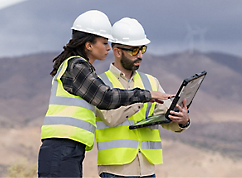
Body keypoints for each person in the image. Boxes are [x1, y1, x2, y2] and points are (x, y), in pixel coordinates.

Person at [37, 10, 173, 178]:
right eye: (104, 42)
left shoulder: (78, 68)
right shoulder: (77, 67)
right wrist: (146, 95)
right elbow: (106, 98)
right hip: (62, 148)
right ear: (89, 45)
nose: (109, 47)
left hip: (67, 148)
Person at [95, 17, 190, 178]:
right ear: (117, 52)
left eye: (142, 49)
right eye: (134, 50)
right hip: (115, 171)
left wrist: (182, 120)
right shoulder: (100, 83)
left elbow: (165, 118)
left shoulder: (151, 82)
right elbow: (111, 118)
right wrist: (144, 98)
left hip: (147, 170)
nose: (140, 55)